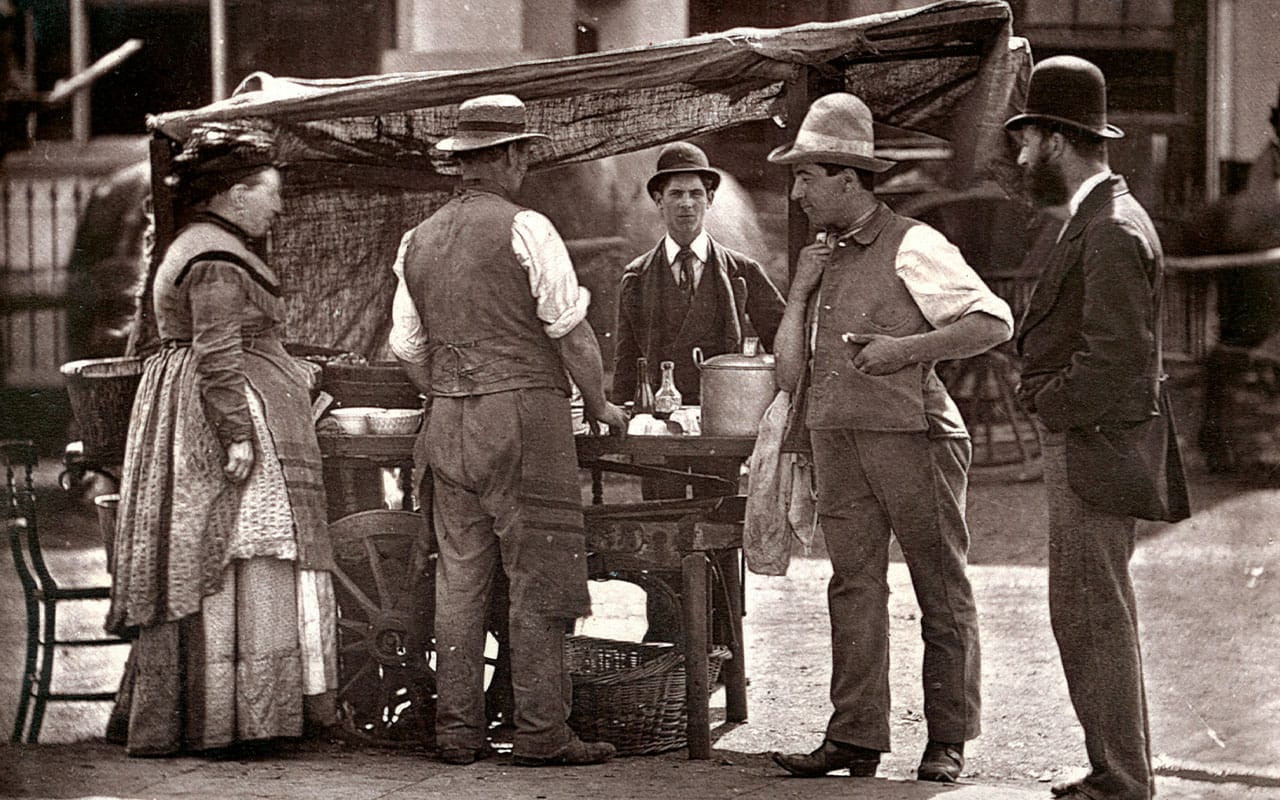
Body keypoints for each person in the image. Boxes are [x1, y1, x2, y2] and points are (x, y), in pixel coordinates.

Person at [767, 92, 1013, 782]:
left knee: (940, 586)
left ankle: (948, 738)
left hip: (914, 437)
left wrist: (904, 350)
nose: (796, 192)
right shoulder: (819, 257)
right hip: (837, 438)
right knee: (853, 587)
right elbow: (789, 374)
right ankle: (855, 736)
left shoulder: (916, 243)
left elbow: (994, 323)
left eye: (807, 176)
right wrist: (799, 292)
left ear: (848, 177)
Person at [388, 93, 628, 767]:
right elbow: (572, 335)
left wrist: (451, 387)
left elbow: (407, 347)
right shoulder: (528, 228)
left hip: (446, 424)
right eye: (523, 152)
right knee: (538, 579)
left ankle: (457, 733)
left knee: (459, 581)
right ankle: (542, 732)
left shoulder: (418, 239)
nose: (526, 163)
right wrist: (602, 404)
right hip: (521, 421)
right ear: (508, 156)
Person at [106, 122, 337, 756]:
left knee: (223, 552)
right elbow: (216, 354)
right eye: (270, 192)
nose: (279, 205)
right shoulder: (214, 256)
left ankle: (228, 715)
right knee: (240, 550)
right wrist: (236, 435)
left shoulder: (202, 243)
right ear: (236, 194)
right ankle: (237, 721)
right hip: (213, 415)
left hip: (195, 407)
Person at [1006, 56, 1189, 800]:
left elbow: (1116, 360)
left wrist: (1049, 403)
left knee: (1089, 613)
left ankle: (1121, 778)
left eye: (1026, 141)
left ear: (1055, 139)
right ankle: (1118, 768)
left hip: (1093, 447)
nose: (1019, 158)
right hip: (1097, 444)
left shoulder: (1110, 228)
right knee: (1089, 611)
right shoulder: (1103, 216)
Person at [610, 141, 785, 407]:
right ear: (659, 200)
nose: (686, 204)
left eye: (696, 194)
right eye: (676, 194)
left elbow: (782, 342)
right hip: (661, 415)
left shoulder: (743, 271)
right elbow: (626, 362)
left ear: (710, 199)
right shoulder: (637, 277)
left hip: (726, 412)